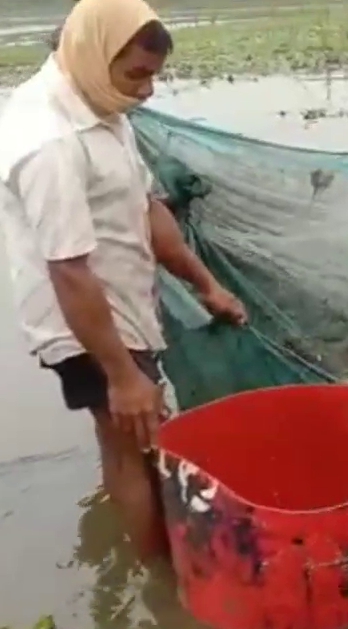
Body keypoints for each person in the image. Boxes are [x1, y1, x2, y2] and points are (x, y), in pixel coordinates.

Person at [0, 0, 247, 564]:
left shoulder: (99, 100)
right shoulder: (50, 141)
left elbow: (146, 207)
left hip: (120, 301)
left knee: (126, 440)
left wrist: (207, 285)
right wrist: (122, 376)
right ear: (93, 53)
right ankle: (163, 577)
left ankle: (149, 555)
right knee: (139, 444)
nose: (149, 91)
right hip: (85, 323)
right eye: (138, 74)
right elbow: (67, 267)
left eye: (154, 75)